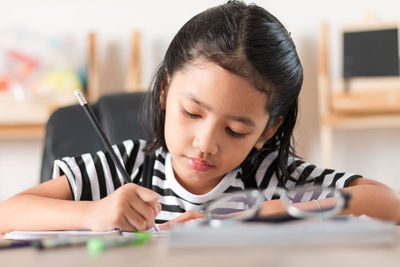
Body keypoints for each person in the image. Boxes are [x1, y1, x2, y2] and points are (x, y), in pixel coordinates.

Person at [1, 0, 399, 234]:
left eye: (235, 129)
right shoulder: (126, 166)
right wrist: (93, 213)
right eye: (192, 112)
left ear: (268, 129)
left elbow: (388, 202)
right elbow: (7, 214)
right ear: (164, 91)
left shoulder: (273, 179)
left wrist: (261, 214)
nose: (206, 143)